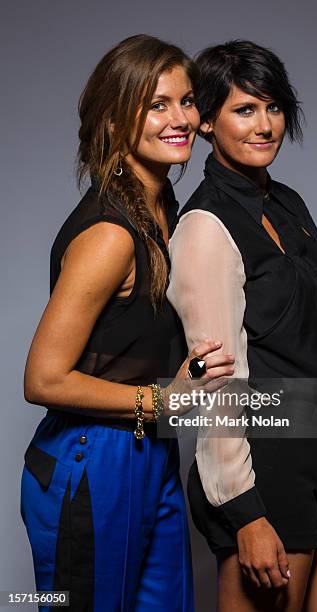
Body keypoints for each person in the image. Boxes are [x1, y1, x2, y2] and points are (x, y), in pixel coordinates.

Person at [167, 40, 317, 611]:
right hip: (257, 473)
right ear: (209, 121)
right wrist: (244, 513)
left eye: (274, 107)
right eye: (245, 110)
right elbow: (217, 384)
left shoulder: (289, 204)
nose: (264, 125)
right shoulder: (205, 227)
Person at [21, 34, 235, 612]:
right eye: (157, 103)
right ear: (116, 121)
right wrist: (161, 401)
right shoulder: (110, 235)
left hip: (152, 451)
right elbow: (41, 379)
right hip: (91, 461)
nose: (180, 118)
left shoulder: (165, 210)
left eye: (187, 101)